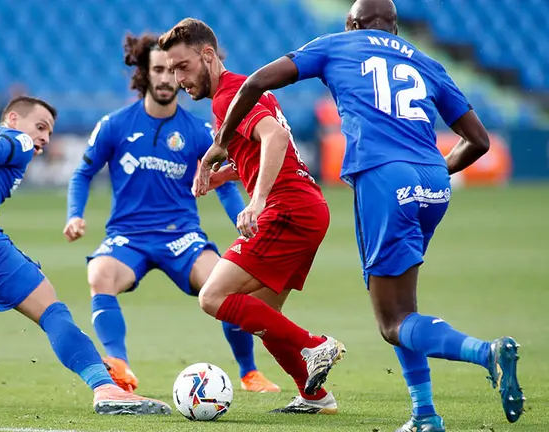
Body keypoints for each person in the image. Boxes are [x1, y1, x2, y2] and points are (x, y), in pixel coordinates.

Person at [203, 0, 524, 429]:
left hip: (383, 181)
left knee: (392, 320)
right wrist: (433, 172)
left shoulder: (339, 44)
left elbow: (257, 81)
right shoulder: (425, 60)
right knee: (404, 307)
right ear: (392, 27)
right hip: (432, 182)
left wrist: (223, 139)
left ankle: (485, 353)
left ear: (353, 23)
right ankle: (424, 415)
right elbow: (479, 141)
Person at [0, 96, 171, 416]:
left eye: (50, 132)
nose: (43, 137)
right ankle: (105, 387)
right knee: (51, 309)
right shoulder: (16, 138)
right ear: (13, 119)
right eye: (40, 127)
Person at [64, 33, 280, 393]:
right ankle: (118, 365)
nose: (166, 78)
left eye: (172, 70)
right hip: (128, 236)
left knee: (226, 286)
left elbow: (224, 185)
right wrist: (75, 214)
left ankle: (248, 372)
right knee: (99, 272)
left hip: (182, 236)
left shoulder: (198, 131)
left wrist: (246, 220)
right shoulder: (115, 124)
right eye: (158, 70)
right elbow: (82, 173)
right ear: (145, 74)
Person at [159, 19, 346, 414]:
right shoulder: (243, 89)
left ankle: (316, 345)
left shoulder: (229, 96)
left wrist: (257, 201)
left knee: (212, 297)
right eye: (172, 70)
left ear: (207, 55)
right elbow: (260, 150)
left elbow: (275, 139)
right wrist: (223, 173)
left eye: (181, 67)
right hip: (307, 207)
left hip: (288, 209)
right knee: (262, 314)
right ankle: (314, 396)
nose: (178, 79)